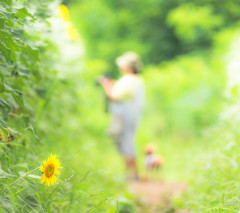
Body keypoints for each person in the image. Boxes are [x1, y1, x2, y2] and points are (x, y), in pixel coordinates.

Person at [99, 51, 145, 180]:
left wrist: (106, 85)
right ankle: (133, 173)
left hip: (125, 115)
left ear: (127, 66)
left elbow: (113, 96)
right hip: (131, 114)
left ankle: (131, 174)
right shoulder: (136, 79)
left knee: (125, 140)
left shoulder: (129, 80)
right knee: (127, 140)